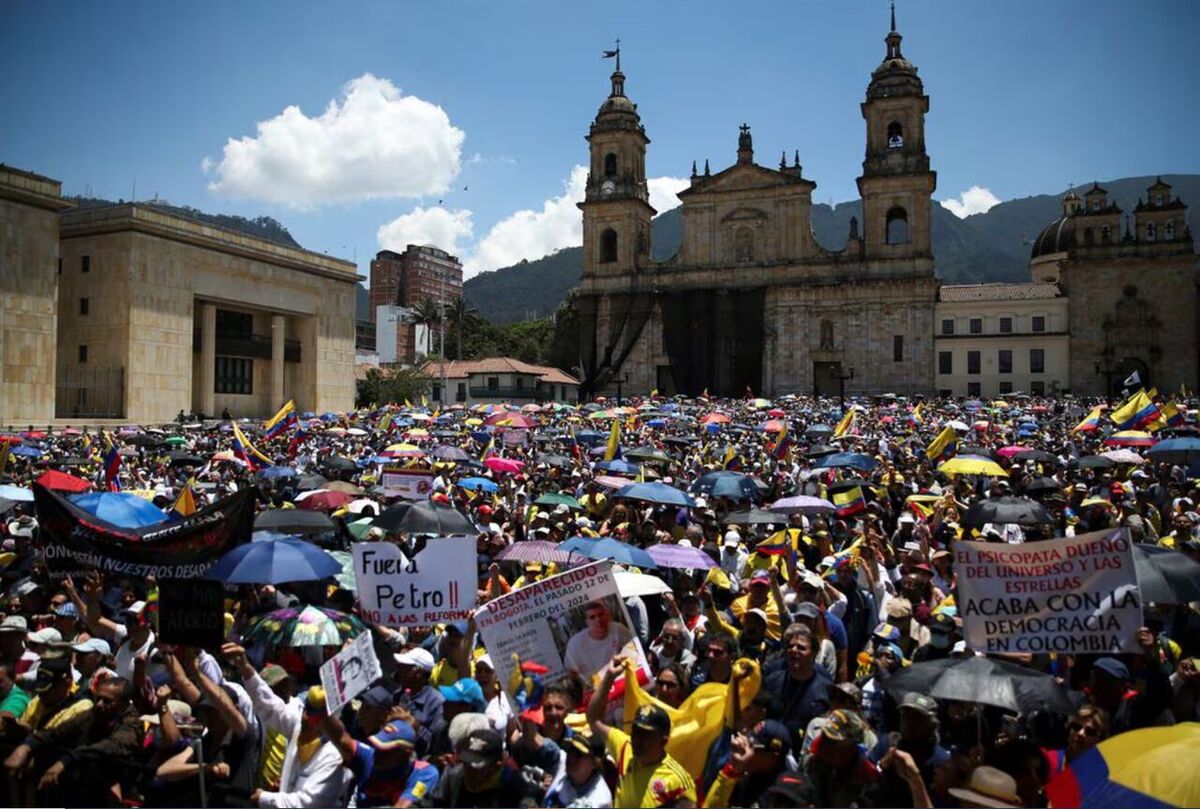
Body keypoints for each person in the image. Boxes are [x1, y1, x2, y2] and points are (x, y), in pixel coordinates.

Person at [222, 642, 351, 808]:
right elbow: (271, 706)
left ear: (329, 723)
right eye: (306, 710)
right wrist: (245, 667)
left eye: (314, 715)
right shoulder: (300, 728)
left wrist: (265, 798)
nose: (305, 717)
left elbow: (308, 803)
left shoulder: (334, 756)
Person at [588, 657, 697, 808]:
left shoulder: (678, 781)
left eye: (646, 736)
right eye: (636, 732)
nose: (637, 740)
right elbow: (594, 719)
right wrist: (608, 677)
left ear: (663, 741)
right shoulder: (625, 748)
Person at [322, 712, 438, 808]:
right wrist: (322, 711)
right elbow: (341, 738)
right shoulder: (369, 756)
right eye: (377, 748)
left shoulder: (424, 774)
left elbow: (404, 806)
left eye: (385, 752)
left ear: (404, 754)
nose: (378, 755)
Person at [763, 625, 832, 755]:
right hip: (770, 754)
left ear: (813, 654)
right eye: (790, 647)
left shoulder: (826, 690)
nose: (794, 650)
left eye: (801, 648)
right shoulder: (772, 681)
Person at [563, 601, 635, 685]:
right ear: (587, 622)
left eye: (601, 614)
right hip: (595, 690)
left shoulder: (618, 629)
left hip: (622, 682)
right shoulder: (575, 644)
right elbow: (571, 673)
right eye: (592, 617)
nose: (598, 620)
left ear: (607, 615)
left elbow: (635, 649)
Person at [544, 729, 613, 808]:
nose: (571, 757)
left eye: (578, 754)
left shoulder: (599, 800)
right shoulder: (563, 764)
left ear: (595, 763)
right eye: (570, 750)